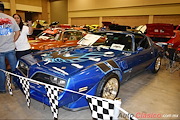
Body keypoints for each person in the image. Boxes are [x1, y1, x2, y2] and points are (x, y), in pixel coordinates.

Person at [0, 1, 20, 93]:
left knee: (1, 70)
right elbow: (17, 32)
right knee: (14, 68)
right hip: (10, 48)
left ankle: (2, 89)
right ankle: (17, 85)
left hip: (0, 50)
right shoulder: (11, 19)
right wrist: (13, 41)